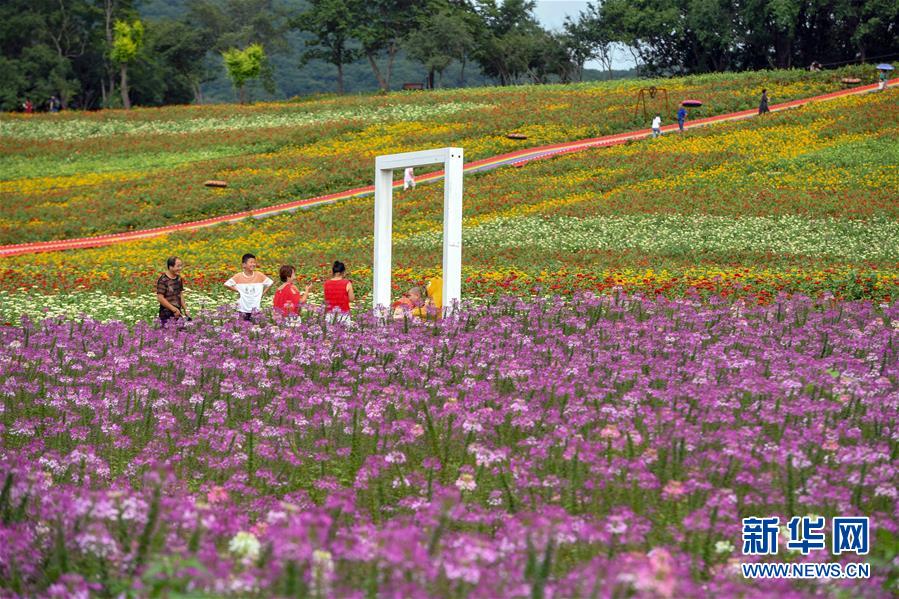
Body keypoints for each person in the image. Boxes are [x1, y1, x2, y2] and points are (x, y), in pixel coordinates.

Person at [225, 253, 273, 321]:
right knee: (243, 328)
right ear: (244, 265)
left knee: (255, 328)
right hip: (242, 309)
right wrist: (237, 291)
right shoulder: (238, 276)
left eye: (254, 262)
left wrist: (263, 293)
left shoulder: (259, 275)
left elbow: (270, 283)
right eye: (251, 262)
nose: (253, 264)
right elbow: (226, 284)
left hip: (256, 309)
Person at [156, 256, 188, 326]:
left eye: (181, 266)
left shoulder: (179, 278)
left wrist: (185, 309)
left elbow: (180, 294)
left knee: (182, 334)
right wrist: (174, 309)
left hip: (177, 313)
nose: (180, 268)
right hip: (166, 314)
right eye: (178, 266)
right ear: (170, 267)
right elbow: (160, 298)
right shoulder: (163, 280)